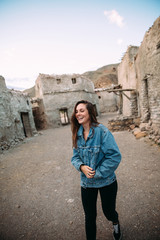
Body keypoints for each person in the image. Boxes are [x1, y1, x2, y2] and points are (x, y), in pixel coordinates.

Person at [71, 100, 122, 240]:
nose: (78, 114)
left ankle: (115, 222)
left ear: (90, 112)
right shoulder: (77, 133)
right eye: (76, 111)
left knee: (109, 211)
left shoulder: (102, 132)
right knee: (89, 217)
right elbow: (75, 157)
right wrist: (81, 167)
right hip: (87, 183)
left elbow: (114, 156)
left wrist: (96, 173)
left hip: (106, 181)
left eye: (81, 110)